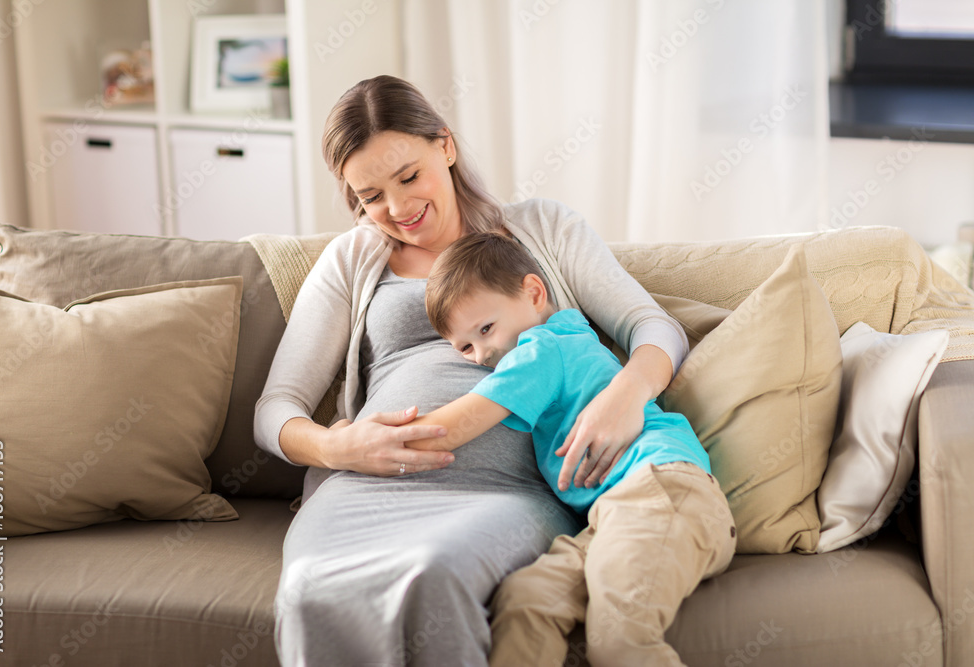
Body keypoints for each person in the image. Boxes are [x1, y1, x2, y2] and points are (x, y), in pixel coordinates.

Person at [254, 74, 692, 666]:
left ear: (446, 145)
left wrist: (627, 393)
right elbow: (274, 408)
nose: (399, 209)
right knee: (311, 588)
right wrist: (339, 449)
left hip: (505, 491)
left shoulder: (542, 230)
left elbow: (656, 327)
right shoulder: (352, 260)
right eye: (371, 197)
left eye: (409, 177)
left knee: (434, 573)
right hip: (366, 487)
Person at [410, 231, 737, 666]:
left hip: (661, 491)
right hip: (609, 517)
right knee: (526, 602)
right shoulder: (567, 332)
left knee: (618, 638)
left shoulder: (543, 349)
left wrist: (366, 439)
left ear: (533, 292)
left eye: (486, 329)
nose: (483, 353)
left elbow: (451, 429)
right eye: (465, 347)